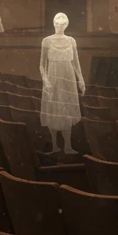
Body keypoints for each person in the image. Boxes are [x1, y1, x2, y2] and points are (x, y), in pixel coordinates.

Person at [39, 12, 85, 156]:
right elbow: (41, 65)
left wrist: (81, 79)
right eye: (57, 24)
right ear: (54, 24)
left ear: (66, 25)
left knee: (66, 109)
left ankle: (68, 145)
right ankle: (54, 145)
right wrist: (45, 80)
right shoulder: (46, 41)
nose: (60, 26)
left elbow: (76, 63)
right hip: (53, 77)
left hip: (68, 78)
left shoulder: (71, 41)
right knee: (53, 108)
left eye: (63, 24)